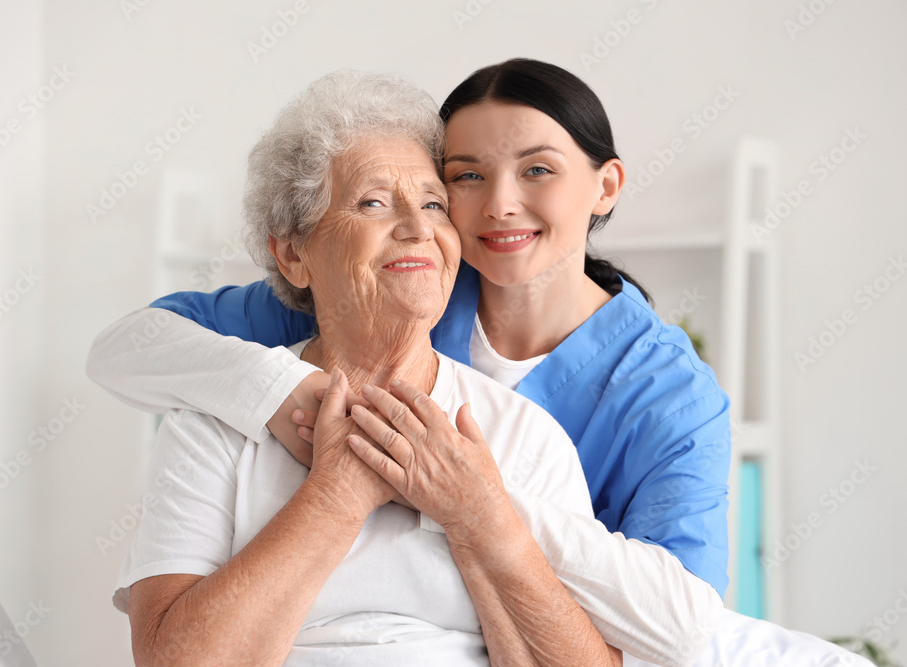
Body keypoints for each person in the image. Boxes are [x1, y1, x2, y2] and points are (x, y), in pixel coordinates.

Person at [91, 61, 727, 664]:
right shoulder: (241, 393)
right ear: (294, 258)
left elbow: (685, 632)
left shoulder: (639, 402)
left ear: (606, 185)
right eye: (467, 177)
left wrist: (477, 505)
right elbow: (129, 345)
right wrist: (294, 413)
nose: (498, 205)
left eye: (431, 203)